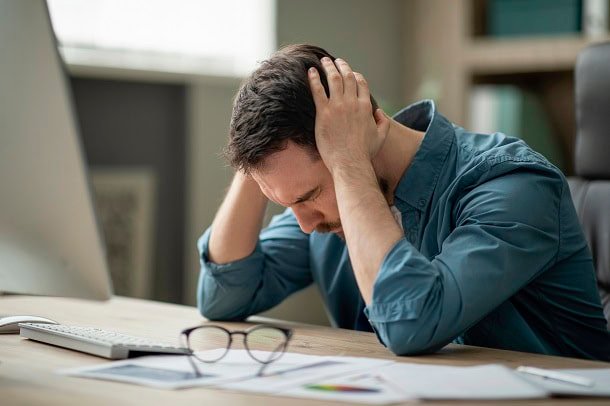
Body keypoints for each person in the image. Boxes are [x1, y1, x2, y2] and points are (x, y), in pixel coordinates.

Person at [197, 44, 610, 360]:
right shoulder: (326, 210)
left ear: (367, 127)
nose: (304, 224)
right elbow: (224, 296)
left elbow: (411, 322)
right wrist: (258, 155)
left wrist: (348, 163)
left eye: (307, 197)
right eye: (288, 204)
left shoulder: (514, 184)